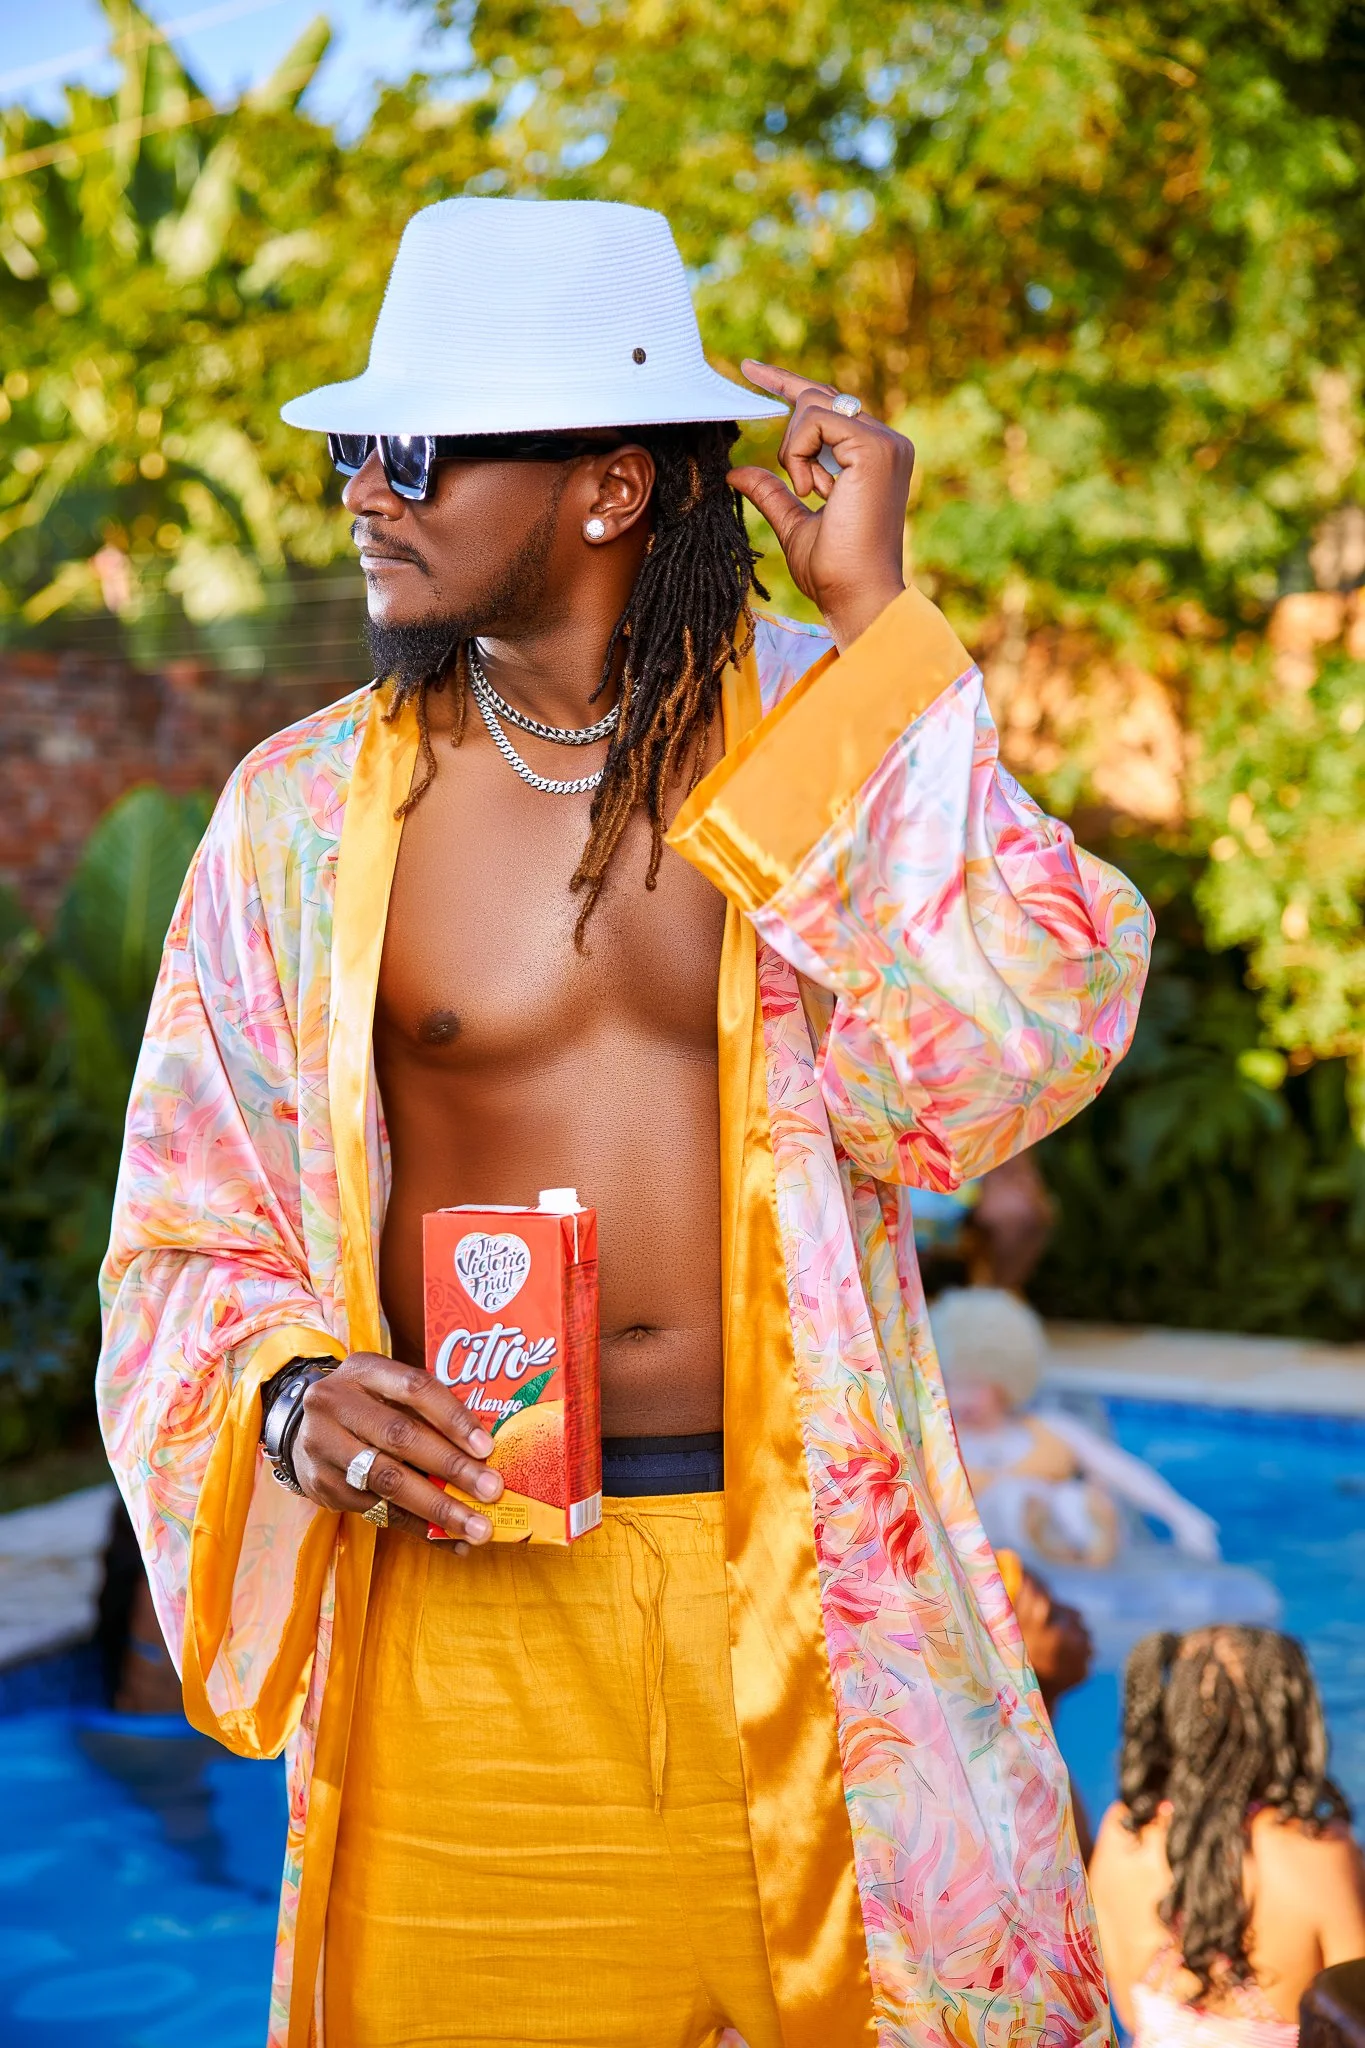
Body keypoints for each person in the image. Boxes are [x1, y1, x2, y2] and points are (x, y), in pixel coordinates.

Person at [97, 197, 1152, 2048]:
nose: (361, 490)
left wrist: (882, 619)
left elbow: (1014, 1047)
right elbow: (185, 1224)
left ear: (605, 487)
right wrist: (287, 1392)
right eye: (358, 447)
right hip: (462, 1615)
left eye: (411, 449)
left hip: (824, 1604)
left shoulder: (833, 732)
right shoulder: (303, 819)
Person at [1088, 1627, 1365, 2041]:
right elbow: (1353, 2019)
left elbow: (1125, 2010)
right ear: (1287, 1716)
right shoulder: (1318, 1854)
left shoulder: (1122, 1835)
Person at [931, 1287, 1220, 1568]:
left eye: (976, 1385)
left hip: (1062, 1529)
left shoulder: (1049, 1427)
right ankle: (1049, 1530)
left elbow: (1121, 1471)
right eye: (954, 1384)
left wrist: (1184, 1517)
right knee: (1010, 1498)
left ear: (1006, 1377)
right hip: (993, 1544)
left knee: (1071, 1498)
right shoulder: (942, 1443)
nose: (963, 1398)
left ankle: (1081, 1533)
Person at [996, 1546, 1096, 1857]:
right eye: (1052, 1616)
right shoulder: (1016, 1782)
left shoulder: (1038, 1757)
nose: (1076, 1614)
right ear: (1009, 1655)